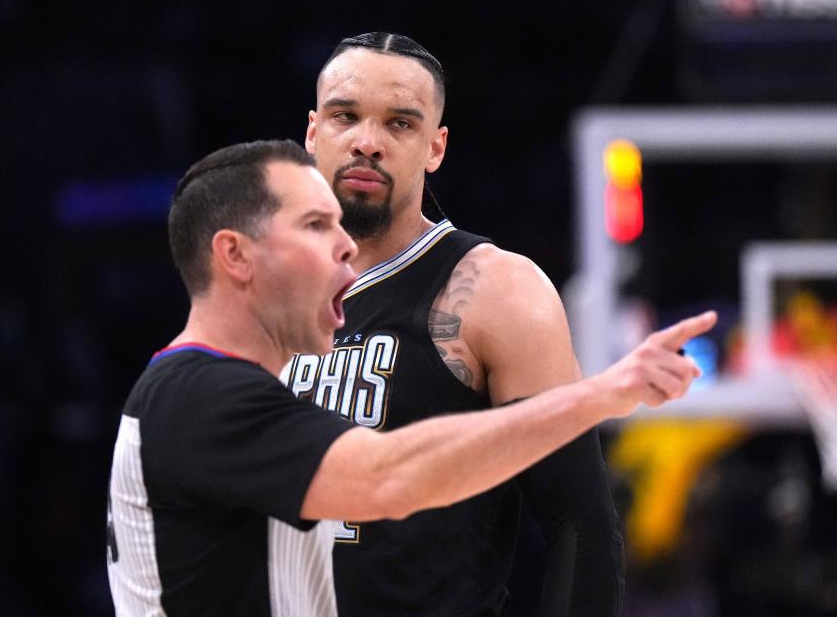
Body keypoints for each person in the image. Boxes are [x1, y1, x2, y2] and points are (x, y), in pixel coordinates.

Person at [106, 138, 715, 616]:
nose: (344, 246)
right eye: (315, 227)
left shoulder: (219, 391)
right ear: (235, 255)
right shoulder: (201, 397)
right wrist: (599, 395)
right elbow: (391, 476)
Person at [284, 31, 623, 616]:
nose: (368, 142)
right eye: (346, 116)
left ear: (435, 147)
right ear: (313, 132)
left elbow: (580, 525)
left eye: (399, 124)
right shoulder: (261, 289)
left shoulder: (495, 292)